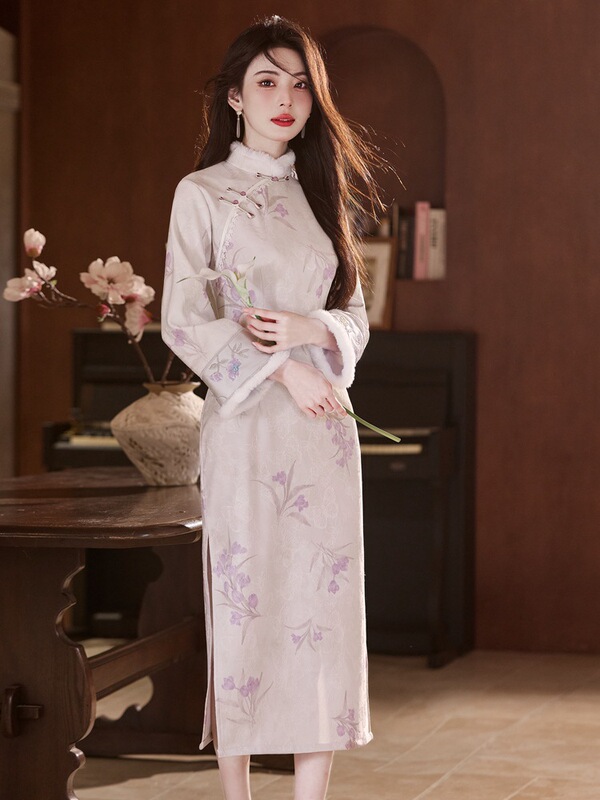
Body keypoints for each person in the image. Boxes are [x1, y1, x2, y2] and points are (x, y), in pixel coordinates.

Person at [161, 15, 384, 800]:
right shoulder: (202, 195)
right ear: (235, 97)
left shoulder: (323, 193)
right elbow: (183, 318)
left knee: (321, 613)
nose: (285, 99)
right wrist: (284, 369)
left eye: (299, 85)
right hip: (249, 426)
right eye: (267, 82)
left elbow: (354, 315)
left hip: (323, 432)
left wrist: (312, 330)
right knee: (247, 609)